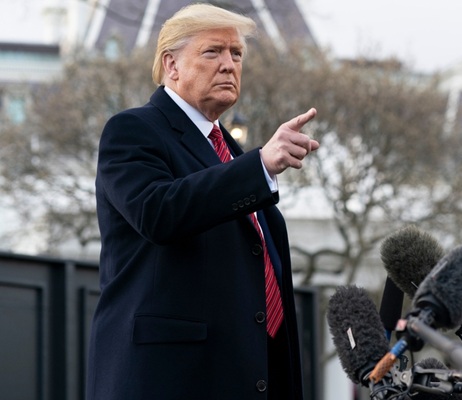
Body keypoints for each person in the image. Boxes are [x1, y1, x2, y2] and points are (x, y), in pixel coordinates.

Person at [87, 4, 319, 400]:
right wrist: (259, 165)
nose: (229, 64)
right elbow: (158, 212)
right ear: (171, 65)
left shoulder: (229, 150)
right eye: (213, 51)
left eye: (236, 53)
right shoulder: (132, 130)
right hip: (167, 381)